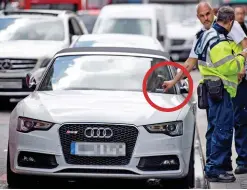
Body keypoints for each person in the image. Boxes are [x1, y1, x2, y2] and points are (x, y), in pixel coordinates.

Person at [162, 1, 247, 176]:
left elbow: (246, 46)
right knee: (217, 128)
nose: (205, 18)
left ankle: (239, 162)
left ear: (213, 12)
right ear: (198, 17)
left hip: (236, 83)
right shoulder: (203, 34)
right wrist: (174, 81)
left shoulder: (229, 25)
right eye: (202, 16)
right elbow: (190, 62)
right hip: (218, 87)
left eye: (208, 14)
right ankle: (217, 166)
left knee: (238, 123)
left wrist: (243, 69)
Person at [230, 6, 247, 174]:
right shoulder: (230, 34)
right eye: (238, 14)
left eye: (243, 13)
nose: (241, 16)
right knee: (241, 120)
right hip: (240, 82)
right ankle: (242, 160)